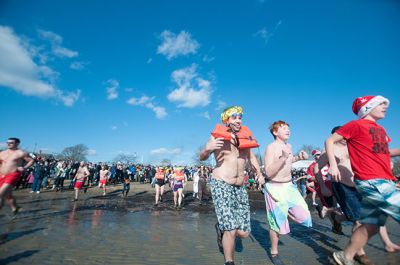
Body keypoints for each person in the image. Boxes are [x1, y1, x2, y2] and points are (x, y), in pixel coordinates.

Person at [325, 96, 400, 265]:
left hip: (385, 179)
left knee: (371, 225)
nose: (385, 106)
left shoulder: (381, 130)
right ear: (368, 107)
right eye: (381, 104)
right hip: (371, 180)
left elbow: (385, 151)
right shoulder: (355, 125)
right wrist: (333, 166)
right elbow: (329, 140)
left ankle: (346, 256)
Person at [199, 106, 261, 265]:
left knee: (243, 233)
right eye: (234, 117)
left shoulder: (245, 136)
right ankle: (229, 261)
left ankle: (220, 227)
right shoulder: (216, 136)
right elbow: (202, 156)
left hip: (240, 186)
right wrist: (207, 149)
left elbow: (251, 158)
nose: (238, 120)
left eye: (240, 117)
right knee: (231, 229)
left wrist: (259, 173)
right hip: (221, 183)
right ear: (226, 119)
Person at [263, 120, 312, 265]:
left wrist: (298, 158)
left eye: (288, 128)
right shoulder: (271, 148)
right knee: (276, 224)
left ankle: (284, 216)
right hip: (274, 187)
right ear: (275, 132)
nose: (287, 130)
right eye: (283, 128)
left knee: (304, 216)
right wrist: (283, 157)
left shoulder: (288, 146)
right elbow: (268, 172)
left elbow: (288, 163)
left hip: (289, 187)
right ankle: (274, 252)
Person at [0, 137, 34, 215]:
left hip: (13, 174)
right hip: (1, 175)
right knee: (8, 195)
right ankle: (15, 207)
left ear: (17, 144)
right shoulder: (2, 153)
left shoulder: (21, 153)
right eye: (7, 142)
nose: (8, 144)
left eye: (11, 143)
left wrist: (24, 167)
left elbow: (31, 160)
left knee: (1, 193)